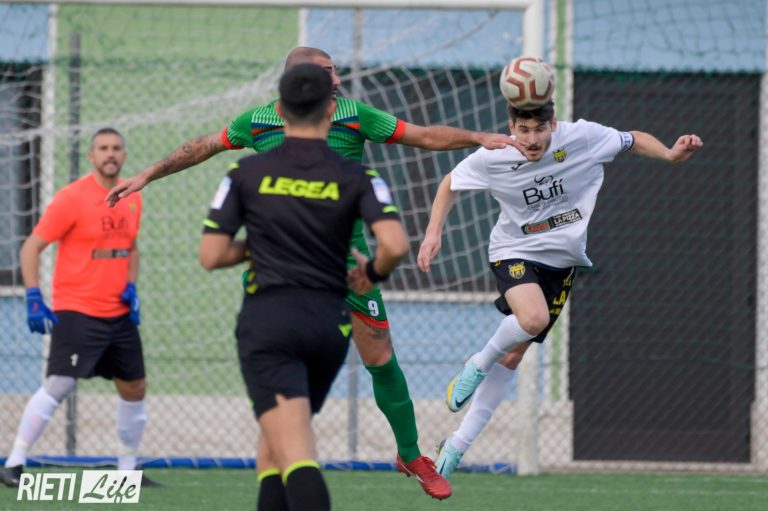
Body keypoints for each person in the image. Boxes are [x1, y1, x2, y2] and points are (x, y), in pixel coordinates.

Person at [104, 46, 520, 498]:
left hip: (344, 270)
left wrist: (477, 137)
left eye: (336, 72)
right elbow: (204, 145)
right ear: (304, 86)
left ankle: (409, 453)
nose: (336, 80)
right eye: (327, 73)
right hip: (284, 281)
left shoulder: (350, 119)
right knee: (290, 406)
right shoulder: (257, 127)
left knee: (378, 358)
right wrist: (148, 174)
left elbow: (422, 136)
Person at [418, 98, 703, 479]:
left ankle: (456, 445)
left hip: (562, 262)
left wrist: (668, 153)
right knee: (532, 319)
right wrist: (433, 233)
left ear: (553, 125)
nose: (532, 139)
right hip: (513, 250)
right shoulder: (495, 156)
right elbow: (450, 183)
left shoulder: (582, 138)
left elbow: (632, 139)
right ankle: (477, 364)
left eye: (540, 129)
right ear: (511, 127)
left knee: (513, 357)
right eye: (523, 130)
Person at [199, 63, 409, 511]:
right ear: (331, 109)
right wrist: (372, 272)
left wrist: (262, 244)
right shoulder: (359, 175)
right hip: (329, 324)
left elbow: (211, 255)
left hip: (270, 322)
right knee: (276, 444)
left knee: (296, 455)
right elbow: (394, 245)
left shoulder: (245, 172)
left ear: (279, 109)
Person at [0, 128, 160, 488]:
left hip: (118, 315)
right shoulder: (71, 198)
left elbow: (131, 247)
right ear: (91, 156)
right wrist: (33, 296)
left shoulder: (133, 197)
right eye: (103, 148)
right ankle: (14, 463)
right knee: (59, 385)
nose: (110, 153)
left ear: (124, 155)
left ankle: (127, 470)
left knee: (135, 387)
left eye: (116, 148)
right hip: (77, 311)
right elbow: (30, 248)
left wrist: (131, 287)